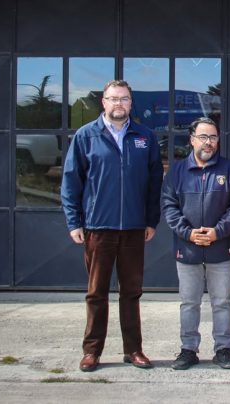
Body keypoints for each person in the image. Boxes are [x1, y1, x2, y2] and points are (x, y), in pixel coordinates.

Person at [61, 80, 163, 372]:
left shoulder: (145, 137)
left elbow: (154, 182)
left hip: (133, 228)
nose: (119, 104)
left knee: (131, 292)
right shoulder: (85, 136)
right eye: (113, 99)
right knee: (96, 293)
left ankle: (134, 350)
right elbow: (71, 182)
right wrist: (74, 221)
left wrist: (150, 220)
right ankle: (92, 352)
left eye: (125, 99)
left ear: (131, 103)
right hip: (97, 227)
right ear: (103, 103)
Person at [161, 117, 230, 371]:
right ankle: (188, 350)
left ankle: (223, 349)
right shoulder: (177, 171)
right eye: (203, 137)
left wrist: (217, 232)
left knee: (222, 302)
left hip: (222, 248)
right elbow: (169, 206)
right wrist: (188, 233)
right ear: (192, 139)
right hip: (187, 249)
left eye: (213, 138)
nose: (208, 143)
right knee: (189, 302)